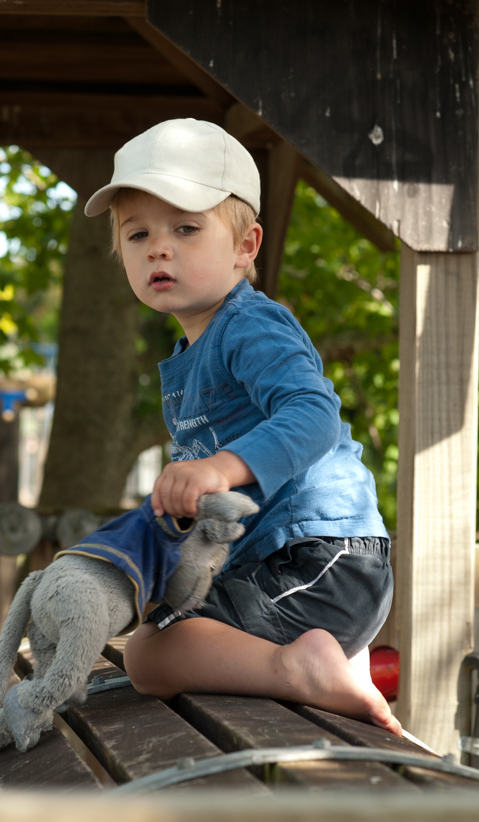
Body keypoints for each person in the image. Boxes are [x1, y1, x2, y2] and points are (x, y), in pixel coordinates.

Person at [84, 118, 402, 735]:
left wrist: (215, 468)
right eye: (137, 233)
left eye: (185, 228)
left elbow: (314, 417)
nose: (158, 247)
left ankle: (300, 669)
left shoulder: (249, 325)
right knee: (163, 613)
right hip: (287, 567)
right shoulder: (191, 351)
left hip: (322, 562)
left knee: (149, 656)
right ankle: (327, 662)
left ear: (245, 246)